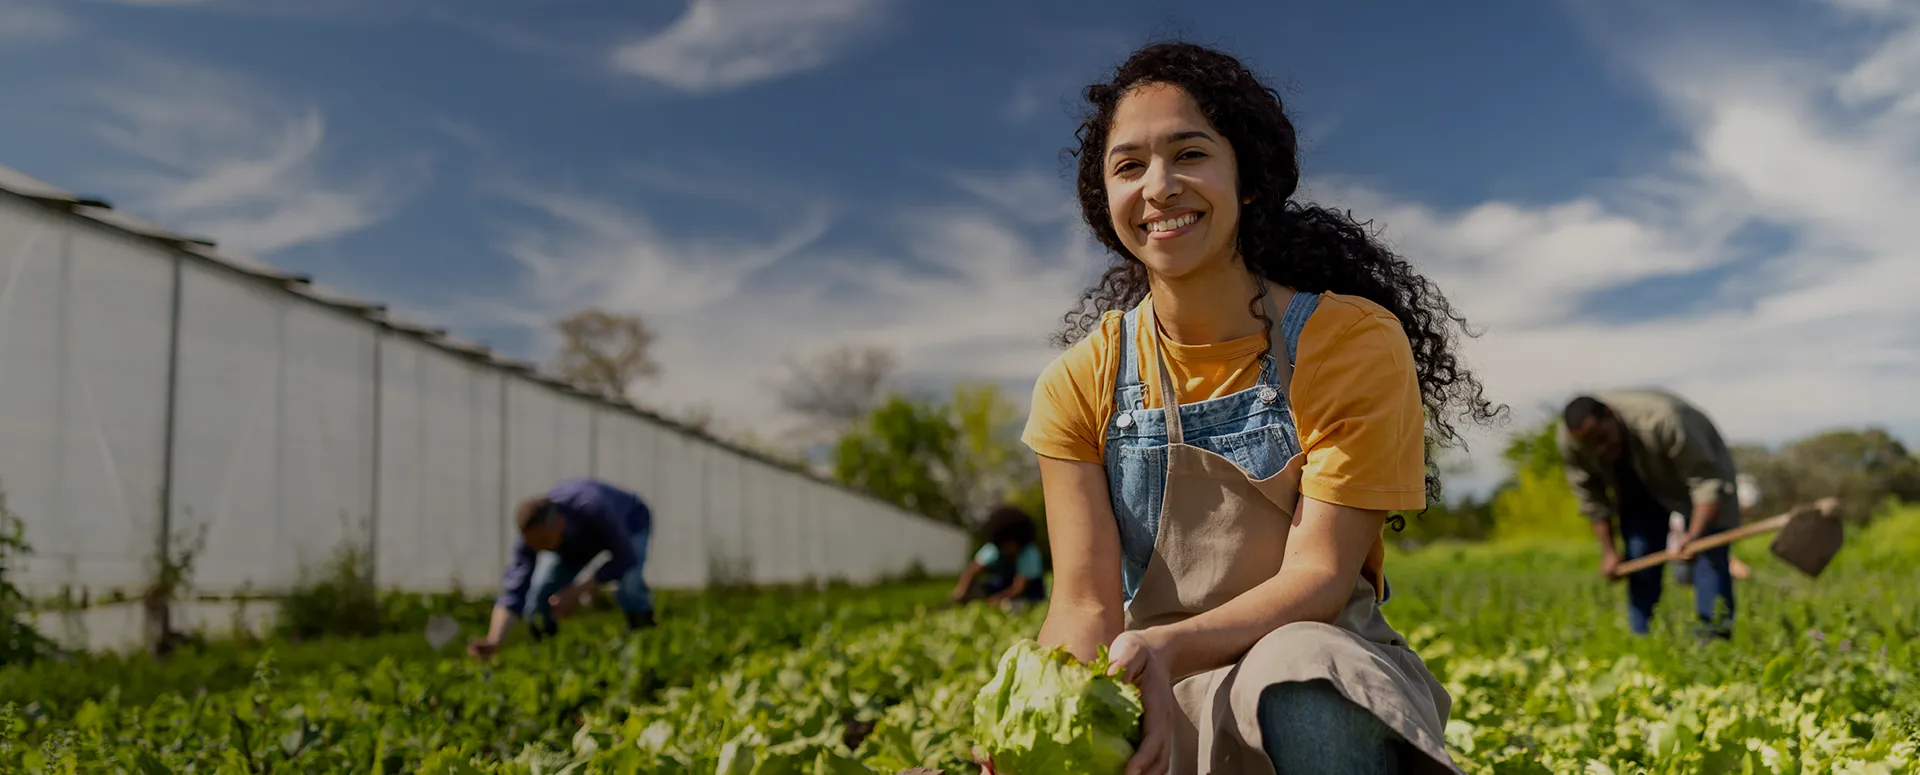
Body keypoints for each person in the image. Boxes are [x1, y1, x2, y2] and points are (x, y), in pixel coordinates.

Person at [1010, 41, 1501, 775]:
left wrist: (1171, 643)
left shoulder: (1346, 341)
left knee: (1294, 664)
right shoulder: (1079, 382)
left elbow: (1321, 577)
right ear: (1104, 200)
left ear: (1247, 180)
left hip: (1314, 669)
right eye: (1130, 166)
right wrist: (1046, 721)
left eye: (1190, 153)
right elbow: (1084, 604)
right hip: (1157, 698)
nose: (1160, 186)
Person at [1558, 390, 1741, 641]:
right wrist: (1610, 552)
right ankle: (1642, 644)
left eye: (1603, 438)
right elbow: (1591, 499)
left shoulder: (1665, 420)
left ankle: (1713, 645)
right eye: (1592, 446)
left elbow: (1706, 484)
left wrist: (1693, 536)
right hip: (1638, 487)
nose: (1600, 449)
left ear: (1610, 415)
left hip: (1699, 473)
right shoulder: (1573, 440)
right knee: (1639, 553)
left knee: (1708, 552)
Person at [468, 477, 657, 661]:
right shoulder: (532, 535)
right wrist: (494, 640)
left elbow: (625, 557)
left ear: (559, 522)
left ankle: (644, 642)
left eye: (542, 542)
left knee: (630, 586)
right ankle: (547, 652)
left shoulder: (594, 509)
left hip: (630, 521)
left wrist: (578, 591)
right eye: (533, 544)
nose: (538, 549)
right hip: (573, 544)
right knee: (540, 593)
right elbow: (514, 591)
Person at [949, 506, 1048, 610]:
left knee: (1015, 606)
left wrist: (996, 600)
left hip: (1027, 593)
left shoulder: (1029, 553)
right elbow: (972, 570)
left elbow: (1018, 588)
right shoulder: (994, 549)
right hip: (1001, 586)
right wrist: (961, 592)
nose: (1009, 549)